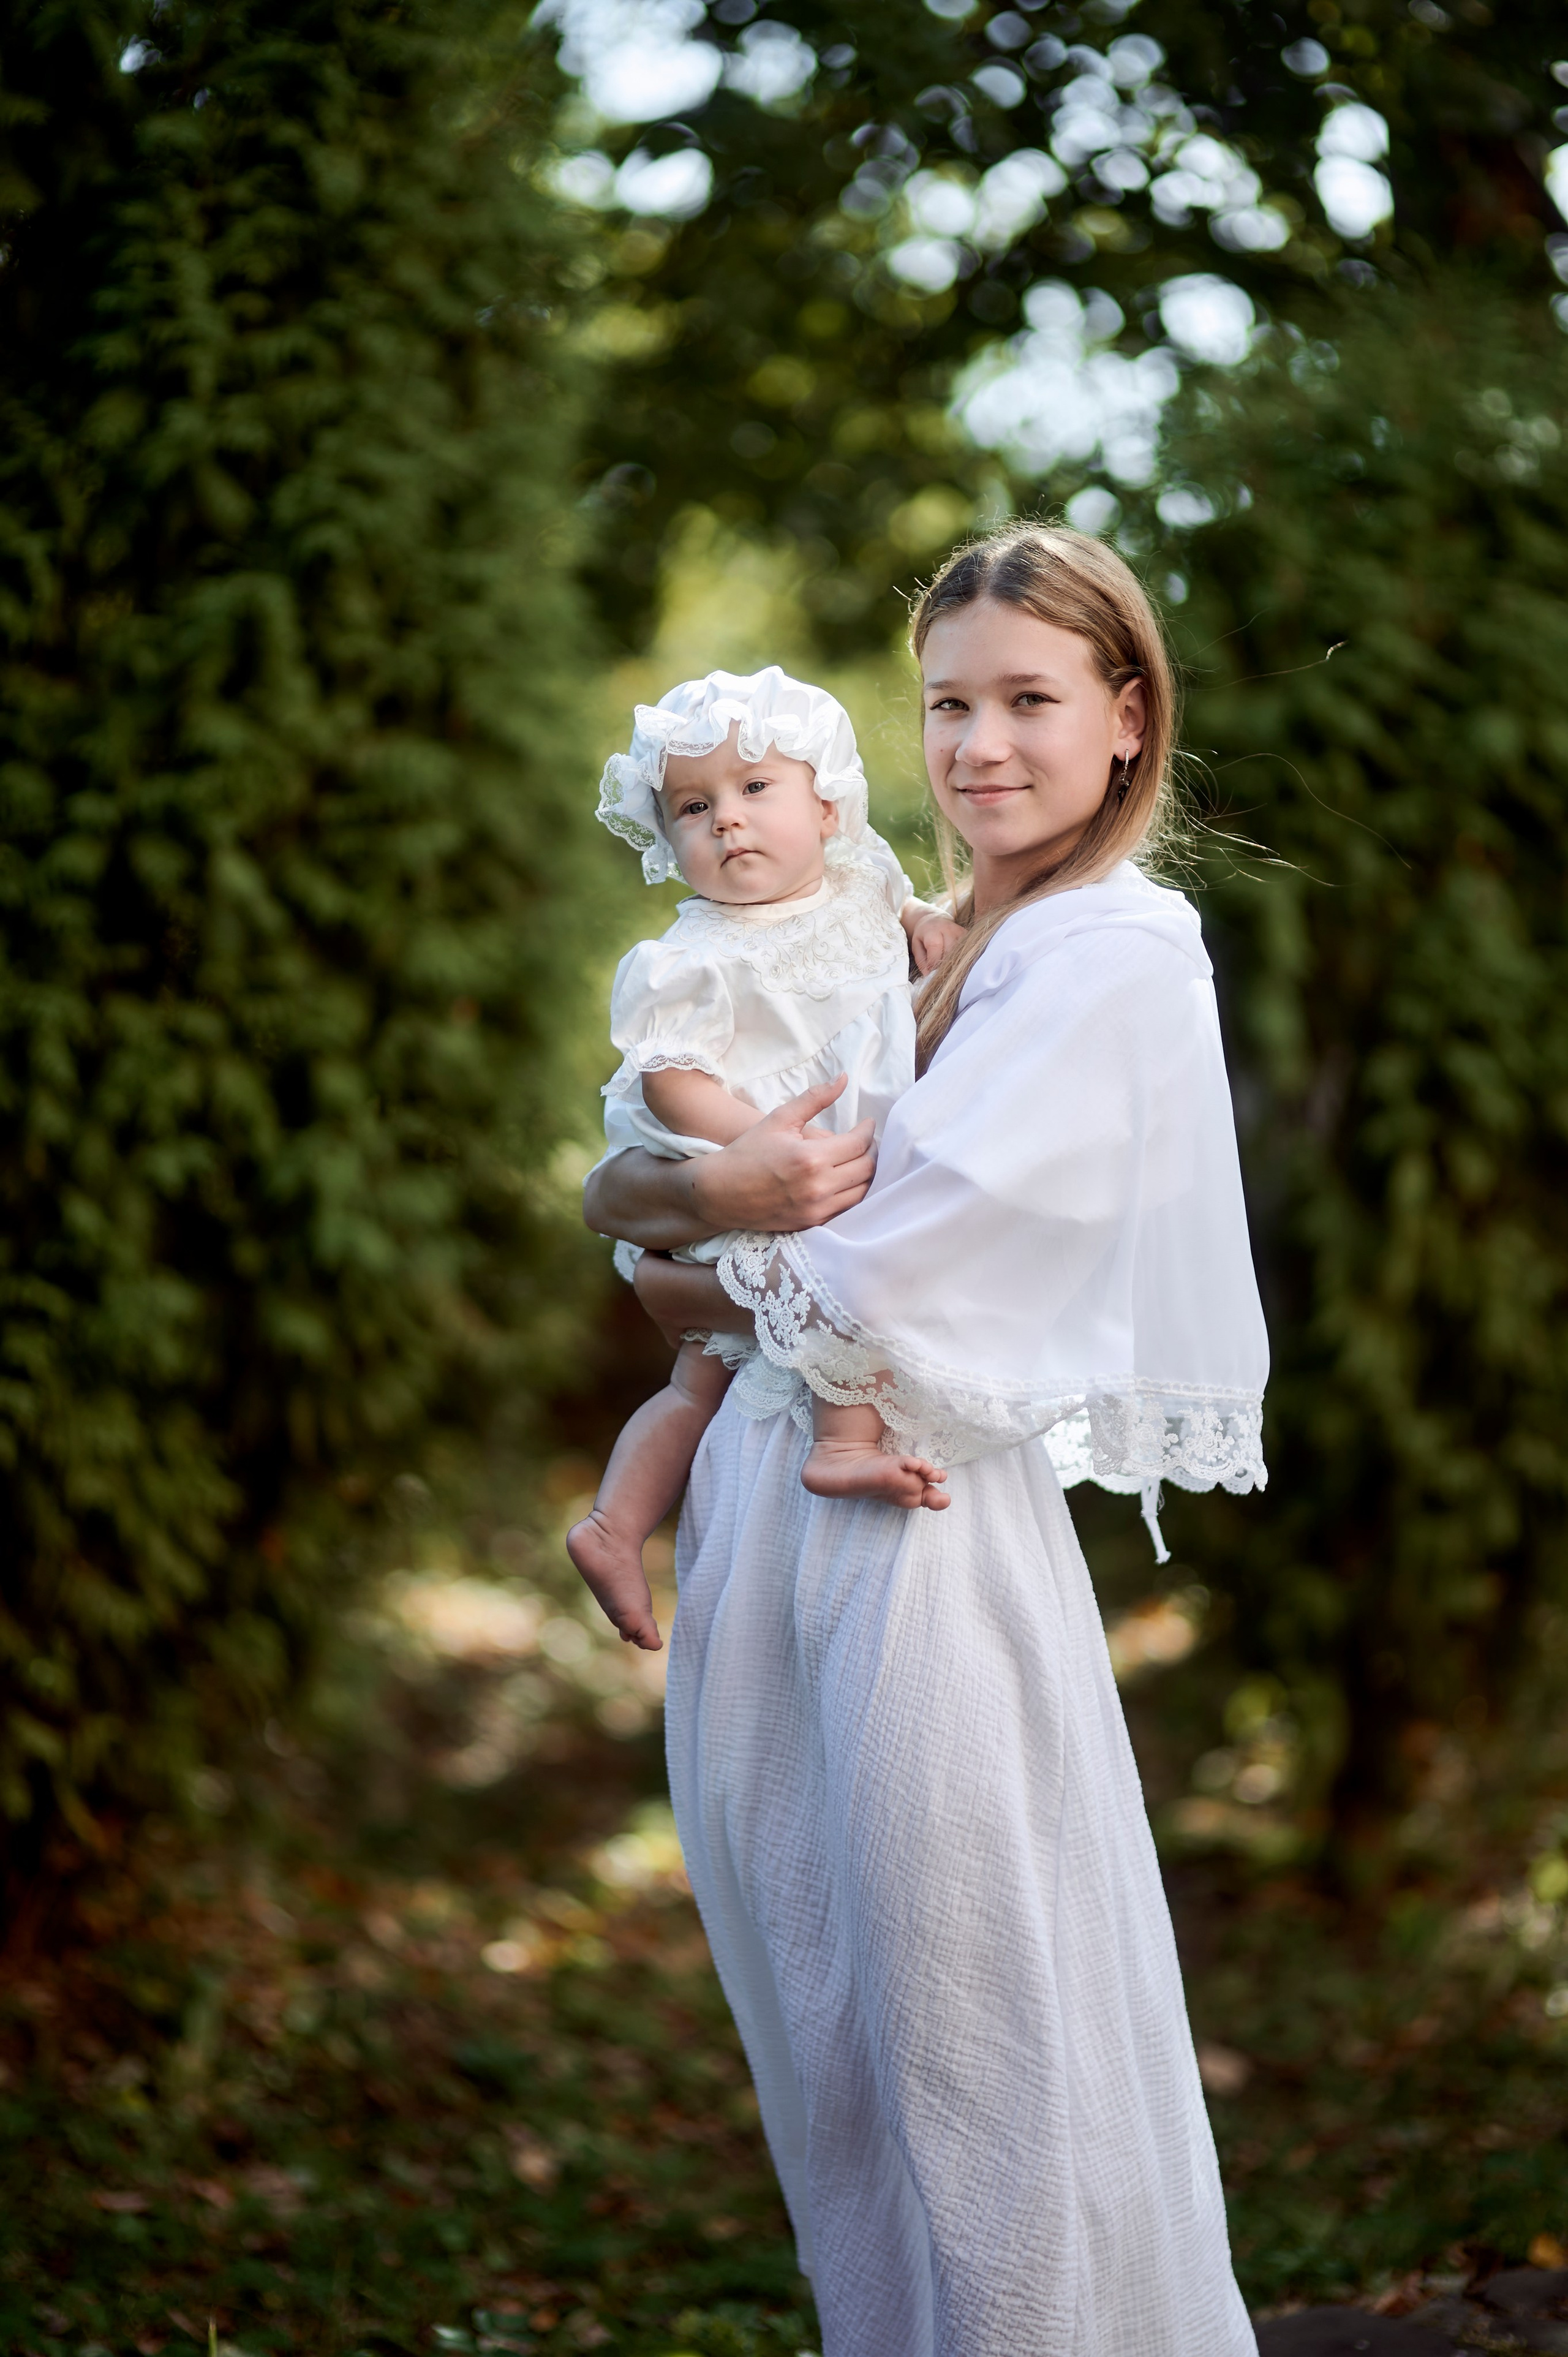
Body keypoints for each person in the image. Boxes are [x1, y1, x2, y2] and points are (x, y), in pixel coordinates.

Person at [585, 524, 1269, 2357]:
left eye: (1030, 701)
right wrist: (663, 1194)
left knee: (982, 2042)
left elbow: (915, 1248)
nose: (979, 744)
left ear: (1127, 719)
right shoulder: (934, 938)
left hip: (918, 1521)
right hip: (780, 1497)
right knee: (838, 2038)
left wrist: (689, 1267)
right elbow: (664, 1178)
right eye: (948, 703)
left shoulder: (1116, 949)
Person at [568, 667, 965, 1652]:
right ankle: (659, 1510)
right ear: (669, 840)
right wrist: (751, 1148)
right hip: (748, 1158)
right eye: (695, 807)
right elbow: (668, 1079)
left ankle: (615, 1527)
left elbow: (906, 908)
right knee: (716, 1362)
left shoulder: (864, 877)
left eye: (755, 790)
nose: (728, 822)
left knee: (701, 1373)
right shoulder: (690, 955)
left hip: (815, 1165)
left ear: (829, 805)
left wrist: (920, 923)